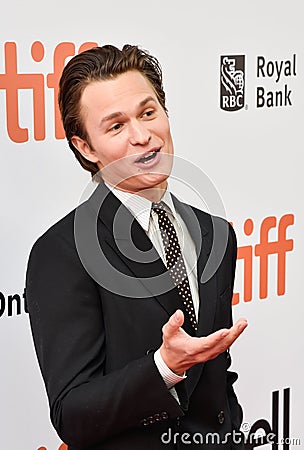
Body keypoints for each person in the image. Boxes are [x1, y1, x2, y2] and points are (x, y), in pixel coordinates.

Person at [26, 44, 248, 450]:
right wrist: (163, 367)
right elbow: (73, 413)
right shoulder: (62, 252)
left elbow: (215, 376)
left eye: (148, 113)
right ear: (85, 147)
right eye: (115, 127)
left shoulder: (215, 233)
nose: (142, 136)